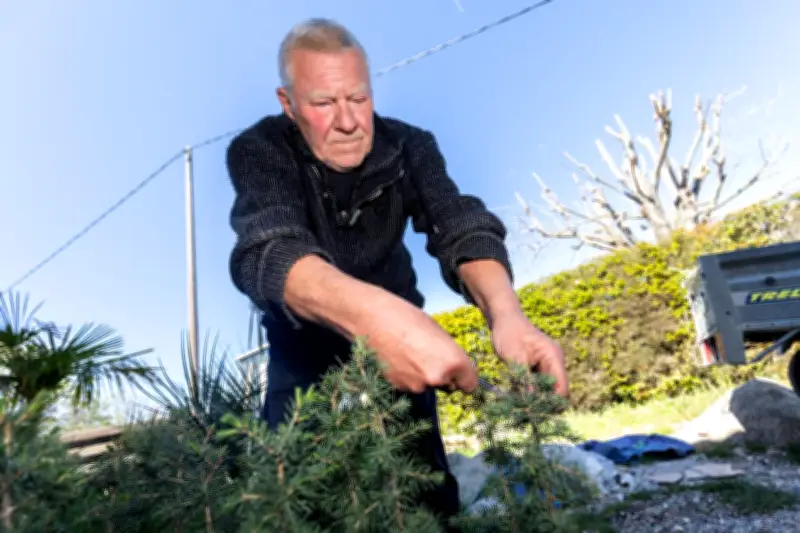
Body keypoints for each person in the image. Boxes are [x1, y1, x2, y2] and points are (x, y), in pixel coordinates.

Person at [225, 17, 569, 528]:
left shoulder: (411, 145)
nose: (348, 122)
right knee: (292, 478)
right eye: (323, 104)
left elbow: (458, 225)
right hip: (302, 343)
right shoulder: (258, 150)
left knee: (423, 478)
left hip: (399, 316)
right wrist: (375, 320)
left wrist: (507, 315)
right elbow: (268, 249)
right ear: (288, 103)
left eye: (358, 99)